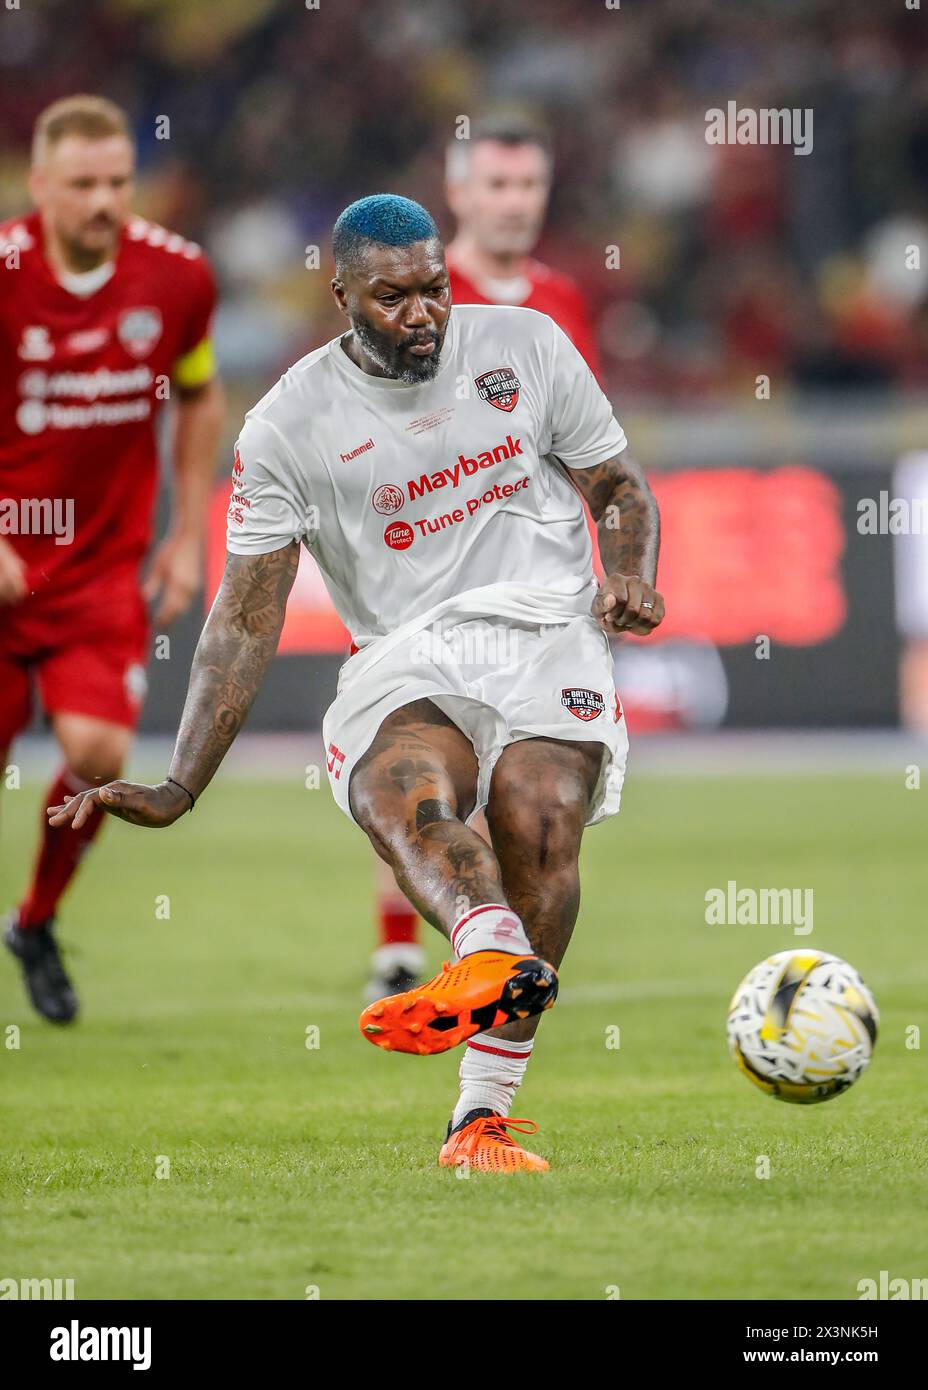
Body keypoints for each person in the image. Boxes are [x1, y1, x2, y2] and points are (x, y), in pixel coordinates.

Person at [50, 194, 663, 1172]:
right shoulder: (289, 425)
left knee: (539, 811)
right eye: (393, 297)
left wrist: (629, 569)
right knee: (400, 789)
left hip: (547, 629)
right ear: (341, 296)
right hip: (404, 650)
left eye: (435, 290)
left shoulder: (528, 346)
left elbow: (618, 487)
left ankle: (479, 1118)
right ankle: (492, 944)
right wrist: (181, 783)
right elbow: (245, 617)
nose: (423, 315)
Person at [367, 117, 603, 1002]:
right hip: (426, 578)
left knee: (528, 793)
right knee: (422, 769)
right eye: (496, 186)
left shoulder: (562, 301)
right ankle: (403, 950)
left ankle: (486, 961)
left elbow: (584, 443)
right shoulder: (420, 291)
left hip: (534, 584)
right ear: (458, 193)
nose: (514, 203)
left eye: (529, 186)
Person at [1, 95, 223, 1022]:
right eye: (83, 184)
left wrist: (186, 533)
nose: (104, 201)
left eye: (119, 182)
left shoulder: (175, 278)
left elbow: (200, 398)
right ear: (39, 184)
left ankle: (35, 920)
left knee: (96, 754)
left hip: (99, 569)